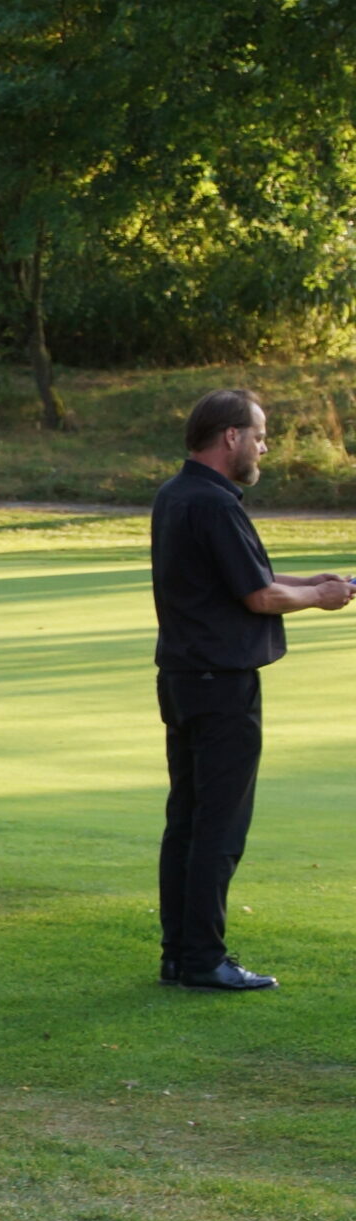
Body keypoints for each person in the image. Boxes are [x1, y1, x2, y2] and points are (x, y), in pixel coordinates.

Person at [151, 389, 352, 990]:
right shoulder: (215, 504)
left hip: (184, 680)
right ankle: (204, 959)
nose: (265, 445)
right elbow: (258, 597)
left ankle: (180, 953)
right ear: (230, 436)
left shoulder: (177, 494)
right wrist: (323, 597)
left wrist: (310, 579)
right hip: (221, 687)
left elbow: (251, 578)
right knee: (219, 828)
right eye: (260, 434)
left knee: (186, 822)